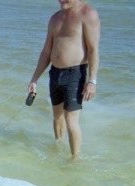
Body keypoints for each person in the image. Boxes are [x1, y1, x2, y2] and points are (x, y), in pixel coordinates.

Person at [28, 0, 100, 160]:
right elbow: (46, 51)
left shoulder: (88, 14)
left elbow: (94, 50)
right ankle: (58, 145)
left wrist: (92, 81)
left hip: (75, 73)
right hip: (55, 73)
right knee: (56, 115)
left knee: (71, 120)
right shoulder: (55, 18)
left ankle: (74, 159)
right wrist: (34, 79)